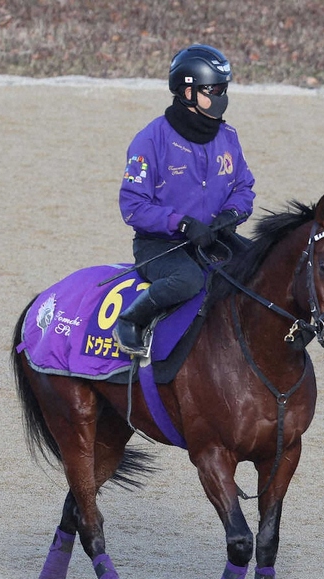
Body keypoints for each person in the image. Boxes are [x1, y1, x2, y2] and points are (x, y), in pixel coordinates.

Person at [114, 44, 256, 357]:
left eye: (224, 89)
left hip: (215, 237)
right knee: (188, 280)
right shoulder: (150, 140)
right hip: (161, 245)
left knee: (262, 265)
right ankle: (132, 321)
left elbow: (244, 187)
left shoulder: (227, 136)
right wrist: (182, 223)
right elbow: (133, 207)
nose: (222, 97)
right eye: (214, 89)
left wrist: (230, 214)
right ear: (187, 91)